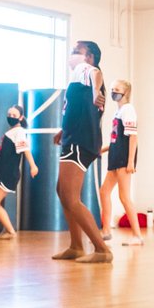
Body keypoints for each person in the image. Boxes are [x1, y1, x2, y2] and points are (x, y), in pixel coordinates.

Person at [52, 40, 112, 264]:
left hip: (80, 141)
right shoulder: (77, 77)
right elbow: (79, 110)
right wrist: (63, 129)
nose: (73, 55)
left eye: (77, 51)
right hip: (74, 137)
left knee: (70, 196)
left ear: (89, 58)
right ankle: (76, 246)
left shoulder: (85, 70)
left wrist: (97, 89)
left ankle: (102, 249)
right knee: (62, 191)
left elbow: (96, 74)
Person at [99, 80, 144, 245]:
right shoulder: (118, 111)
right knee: (104, 191)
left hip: (124, 159)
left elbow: (133, 136)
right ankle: (106, 231)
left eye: (116, 89)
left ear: (125, 92)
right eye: (112, 89)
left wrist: (131, 162)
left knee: (124, 197)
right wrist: (102, 150)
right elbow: (116, 139)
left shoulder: (128, 109)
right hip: (115, 156)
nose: (113, 92)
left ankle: (137, 235)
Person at [0, 104, 38, 240]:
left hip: (7, 172)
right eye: (9, 115)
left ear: (20, 117)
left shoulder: (19, 132)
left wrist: (33, 166)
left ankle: (11, 231)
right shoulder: (11, 132)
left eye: (14, 115)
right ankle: (7, 230)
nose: (10, 117)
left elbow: (25, 149)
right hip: (0, 171)